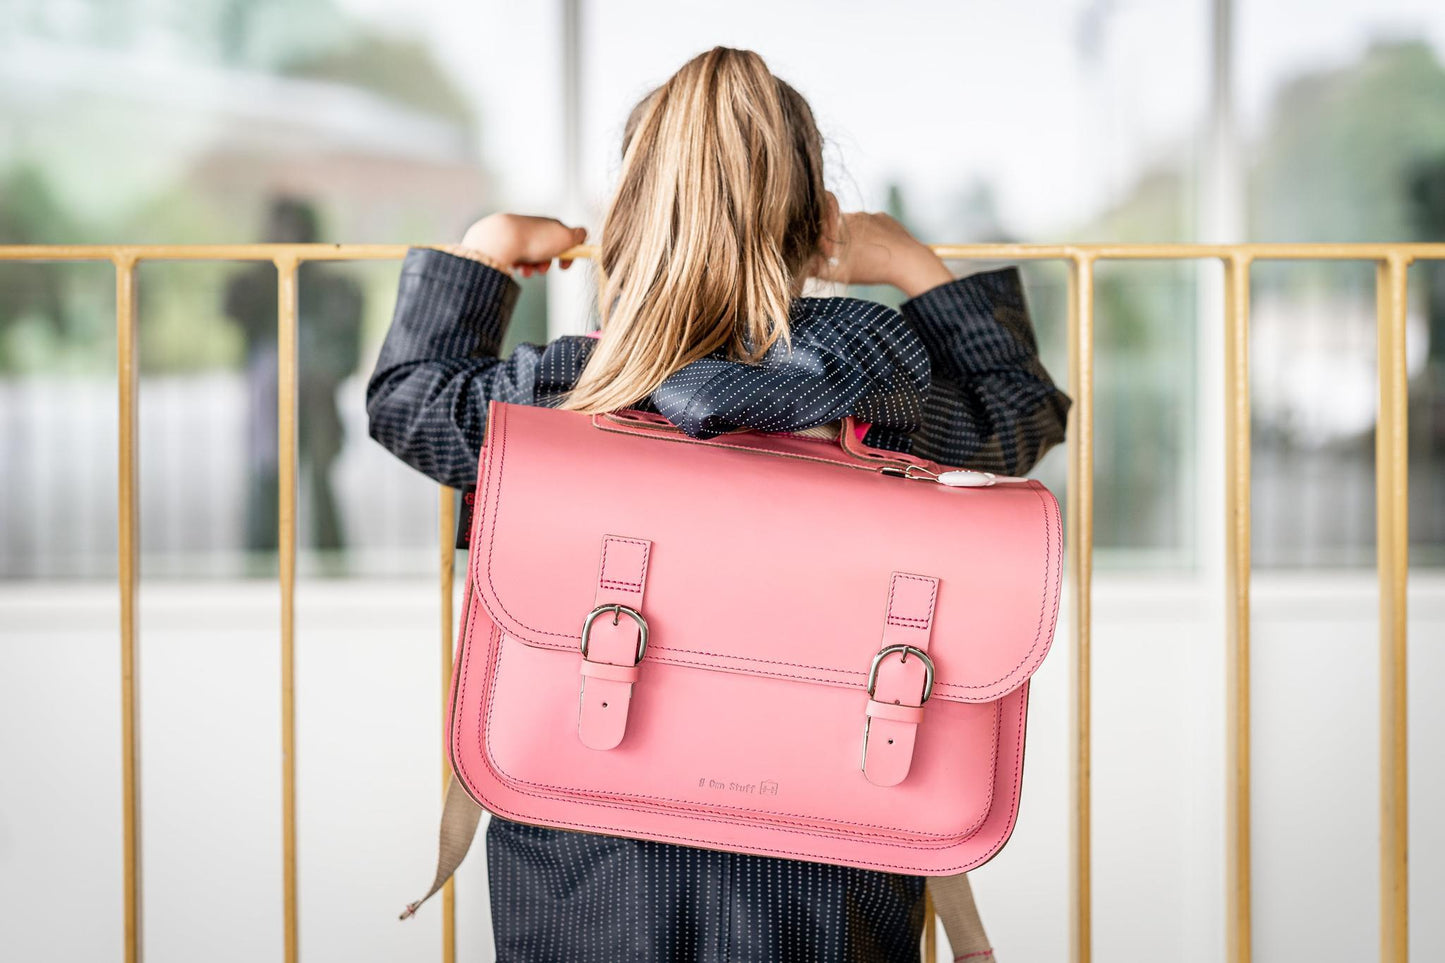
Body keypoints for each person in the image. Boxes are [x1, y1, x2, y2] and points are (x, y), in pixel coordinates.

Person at [367, 46, 1070, 963]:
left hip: (585, 851)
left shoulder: (561, 395)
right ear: (820, 225)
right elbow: (1017, 411)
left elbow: (408, 398)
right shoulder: (880, 382)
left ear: (623, 225)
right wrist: (910, 263)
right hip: (831, 853)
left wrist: (487, 250)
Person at [224, 197, 364, 559]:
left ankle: (332, 566)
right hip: (270, 399)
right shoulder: (257, 282)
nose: (287, 238)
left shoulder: (334, 286)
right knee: (266, 481)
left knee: (320, 483)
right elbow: (233, 306)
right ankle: (260, 567)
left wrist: (324, 372)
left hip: (317, 396)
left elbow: (348, 349)